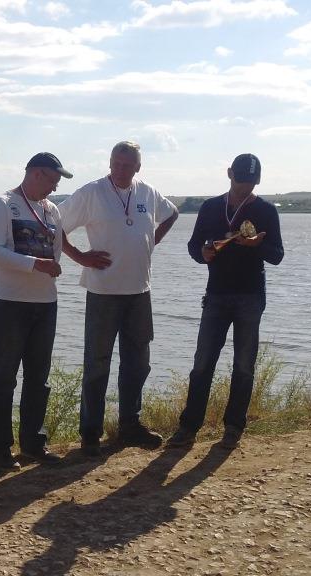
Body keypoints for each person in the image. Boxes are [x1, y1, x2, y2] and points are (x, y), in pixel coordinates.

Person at [59, 141, 179, 456]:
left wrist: (151, 242)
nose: (121, 169)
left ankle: (130, 425)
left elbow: (172, 213)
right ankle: (90, 434)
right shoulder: (92, 192)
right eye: (116, 163)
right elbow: (54, 225)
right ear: (110, 162)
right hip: (103, 293)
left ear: (138, 167)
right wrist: (80, 257)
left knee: (138, 363)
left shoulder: (148, 192)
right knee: (97, 364)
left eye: (128, 165)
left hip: (139, 291)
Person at [167, 153, 284, 450]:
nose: (244, 187)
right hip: (216, 295)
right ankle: (188, 428)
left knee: (244, 366)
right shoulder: (210, 207)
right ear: (229, 173)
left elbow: (277, 255)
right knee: (202, 363)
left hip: (250, 296)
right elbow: (194, 246)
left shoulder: (266, 210)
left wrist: (256, 246)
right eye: (240, 179)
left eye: (250, 182)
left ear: (258, 180)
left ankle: (233, 427)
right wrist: (202, 254)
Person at [0, 152, 71, 470]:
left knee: (38, 378)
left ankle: (34, 444)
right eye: (53, 180)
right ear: (36, 174)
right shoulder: (4, 204)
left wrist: (46, 266)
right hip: (10, 304)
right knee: (3, 378)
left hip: (45, 304)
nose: (55, 187)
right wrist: (35, 264)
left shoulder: (52, 210)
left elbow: (56, 252)